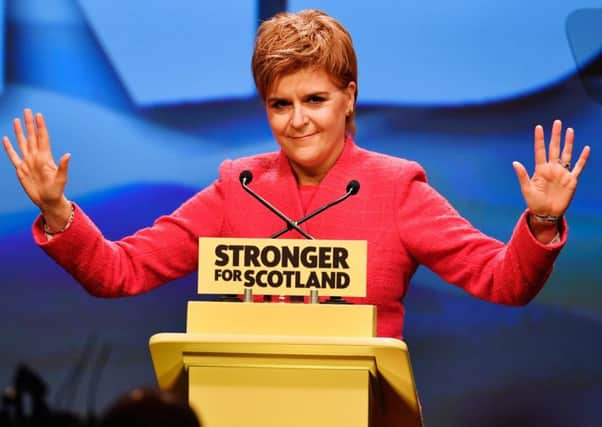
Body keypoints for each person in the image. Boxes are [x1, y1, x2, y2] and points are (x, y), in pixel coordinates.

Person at [2, 10, 590, 338]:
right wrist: (57, 212)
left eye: (314, 99)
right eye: (280, 104)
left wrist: (540, 220)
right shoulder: (239, 187)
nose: (297, 121)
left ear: (349, 98)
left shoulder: (397, 187)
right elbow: (118, 271)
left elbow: (503, 282)